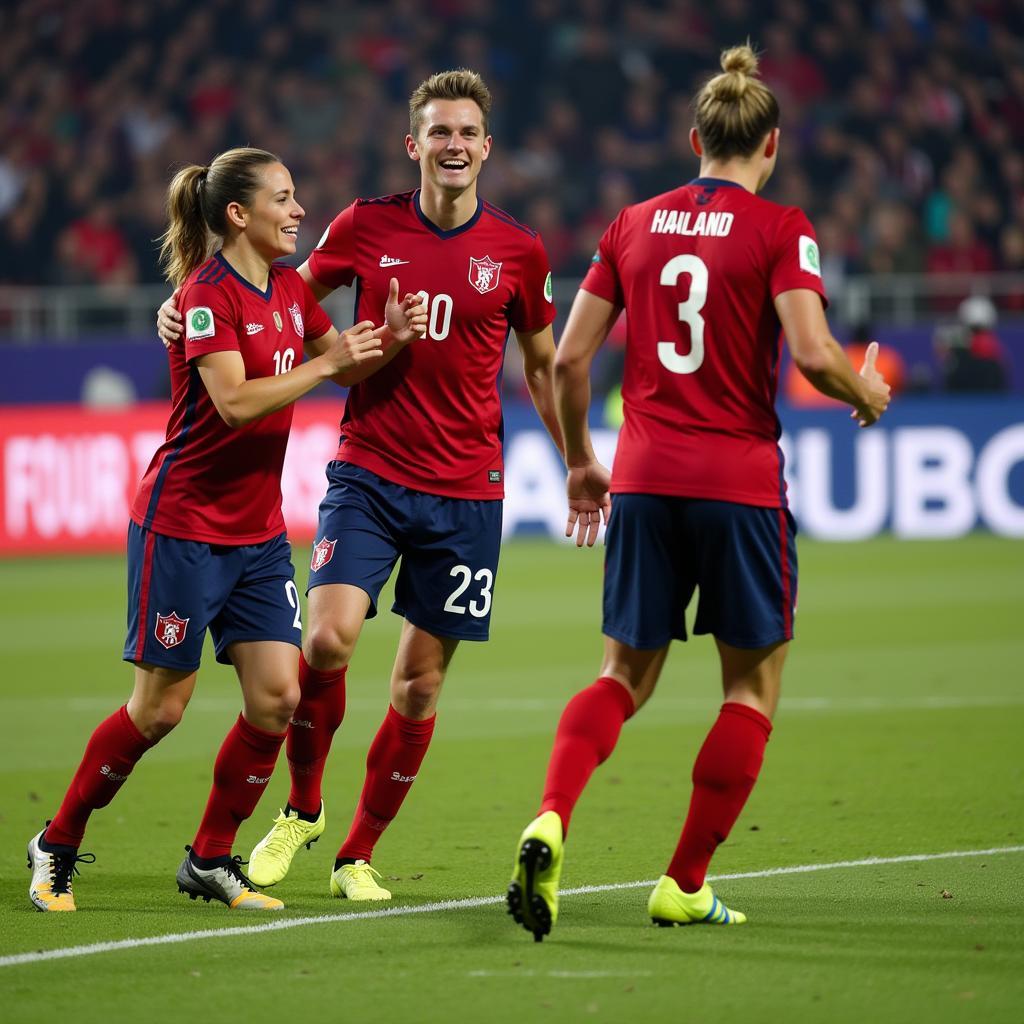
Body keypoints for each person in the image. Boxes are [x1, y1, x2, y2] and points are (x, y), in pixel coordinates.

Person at [507, 45, 891, 942]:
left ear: (693, 138)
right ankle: (682, 882)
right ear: (773, 145)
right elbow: (814, 354)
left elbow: (567, 358)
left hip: (641, 480)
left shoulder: (633, 222)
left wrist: (581, 460)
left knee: (620, 677)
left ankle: (552, 815)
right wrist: (865, 394)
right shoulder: (781, 226)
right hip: (740, 485)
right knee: (750, 689)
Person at [157, 69, 562, 902]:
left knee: (419, 683)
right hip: (370, 469)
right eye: (439, 133)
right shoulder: (364, 226)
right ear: (415, 145)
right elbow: (274, 296)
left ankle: (356, 854)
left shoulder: (519, 250)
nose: (454, 146)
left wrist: (580, 460)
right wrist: (186, 308)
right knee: (327, 642)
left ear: (487, 147)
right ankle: (303, 808)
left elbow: (547, 366)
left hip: (467, 489)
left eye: (468, 133)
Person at [27, 147, 426, 913]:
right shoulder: (206, 297)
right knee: (159, 710)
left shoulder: (285, 287)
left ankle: (210, 858)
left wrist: (389, 338)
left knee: (278, 697)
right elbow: (236, 404)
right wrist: (327, 363)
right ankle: (58, 841)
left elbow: (337, 364)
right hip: (182, 527)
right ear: (238, 214)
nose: (300, 209)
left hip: (256, 533)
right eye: (284, 197)